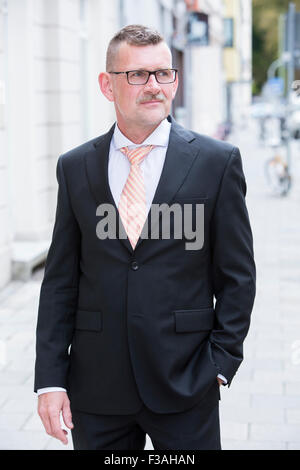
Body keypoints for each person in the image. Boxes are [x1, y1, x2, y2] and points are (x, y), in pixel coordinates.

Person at [34, 24, 256, 450]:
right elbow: (60, 280)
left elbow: (238, 276)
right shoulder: (76, 167)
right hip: (96, 387)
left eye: (163, 73)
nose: (154, 86)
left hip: (186, 381)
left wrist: (220, 363)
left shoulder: (217, 162)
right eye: (137, 75)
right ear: (107, 84)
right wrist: (49, 380)